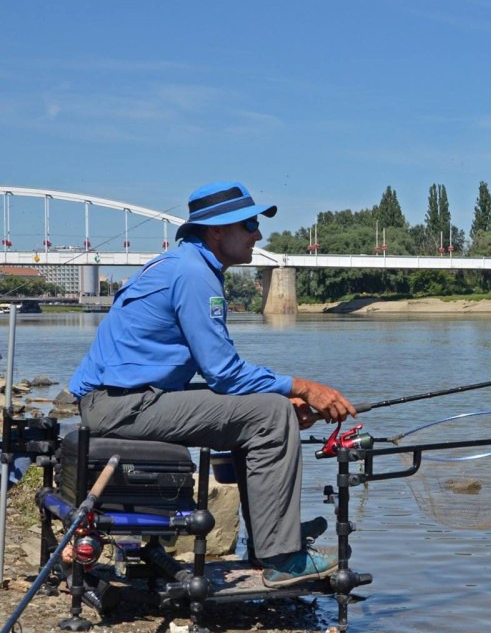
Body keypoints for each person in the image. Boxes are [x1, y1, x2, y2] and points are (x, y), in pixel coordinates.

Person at [69, 181, 357, 588]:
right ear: (216, 231)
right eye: (250, 224)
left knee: (266, 407)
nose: (258, 234)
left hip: (120, 399)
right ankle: (281, 556)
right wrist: (303, 388)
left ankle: (272, 533)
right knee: (271, 414)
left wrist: (281, 392)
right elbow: (223, 372)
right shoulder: (193, 275)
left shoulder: (185, 264)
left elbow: (223, 374)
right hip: (121, 404)